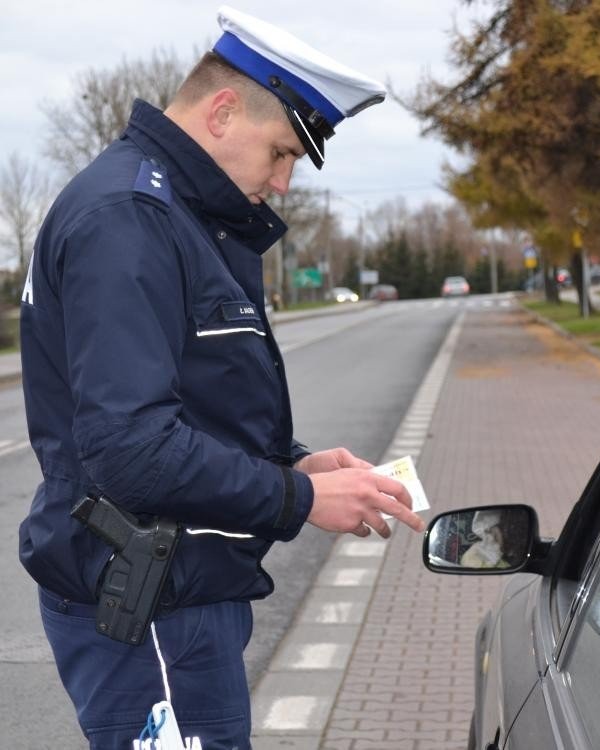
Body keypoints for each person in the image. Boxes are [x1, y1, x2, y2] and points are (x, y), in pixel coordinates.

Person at [18, 7, 425, 749]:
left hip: (176, 594)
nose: (285, 181)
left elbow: (193, 405)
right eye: (281, 152)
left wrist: (293, 464)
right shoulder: (129, 219)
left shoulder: (177, 215)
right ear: (223, 112)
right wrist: (301, 498)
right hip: (149, 609)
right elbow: (132, 449)